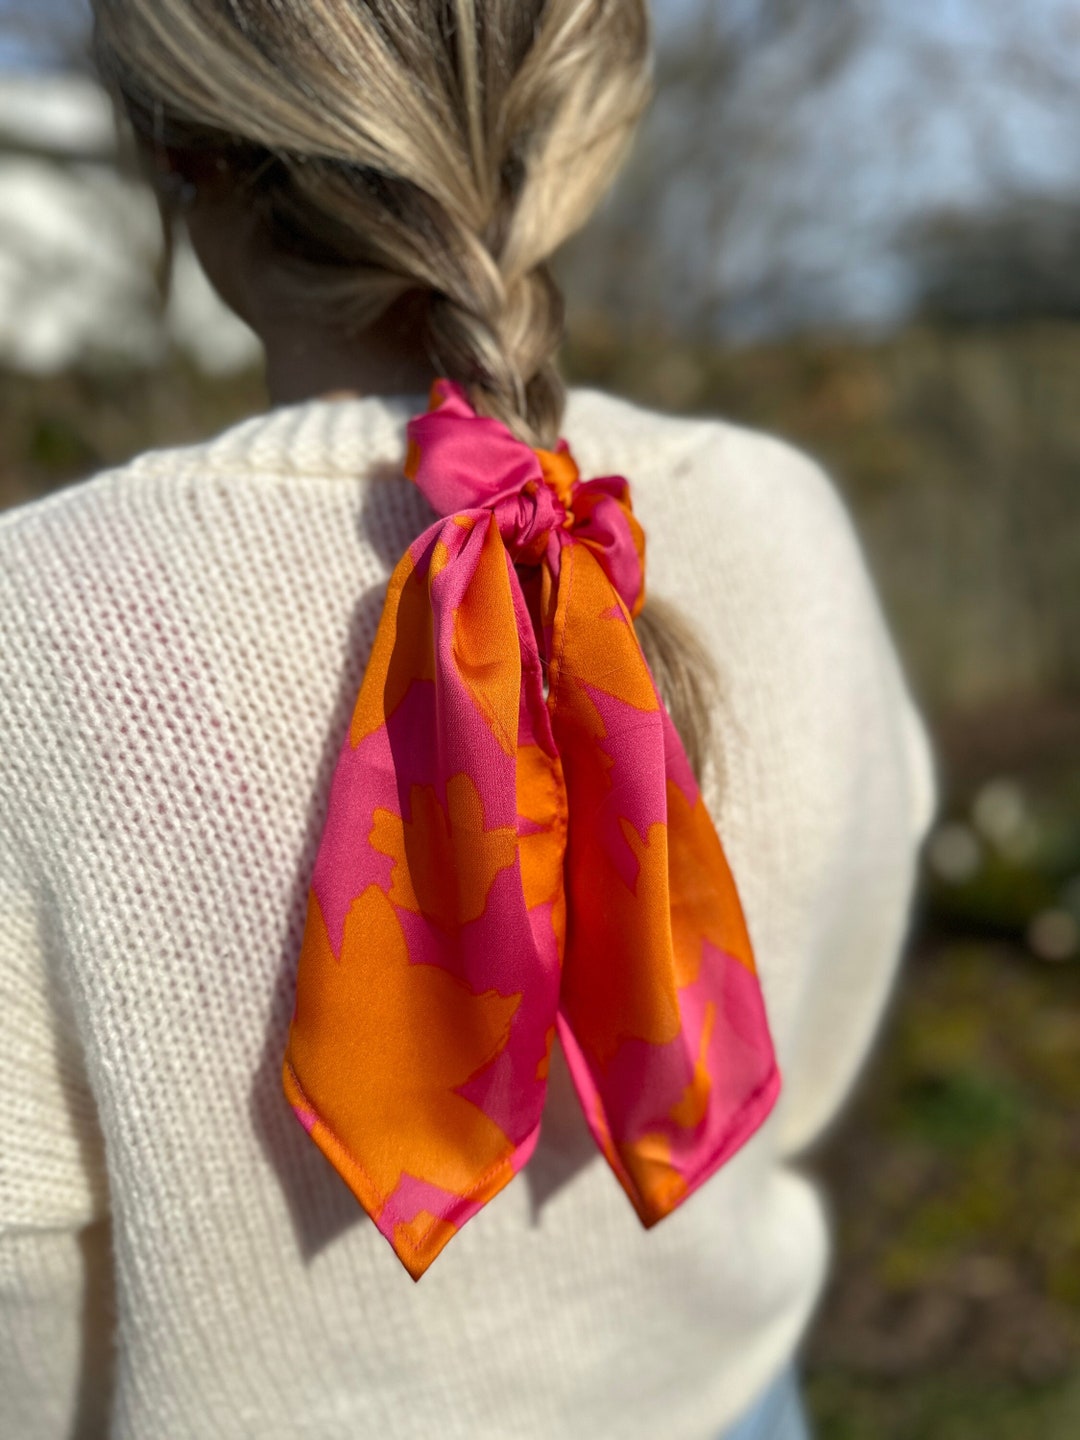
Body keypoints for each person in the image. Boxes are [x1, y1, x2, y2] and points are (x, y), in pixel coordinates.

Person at [0, 3, 935, 1437]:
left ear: (180, 152)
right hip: (730, 1400)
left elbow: (23, 1294)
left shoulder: (37, 628)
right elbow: (806, 1042)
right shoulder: (780, 515)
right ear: (582, 131)